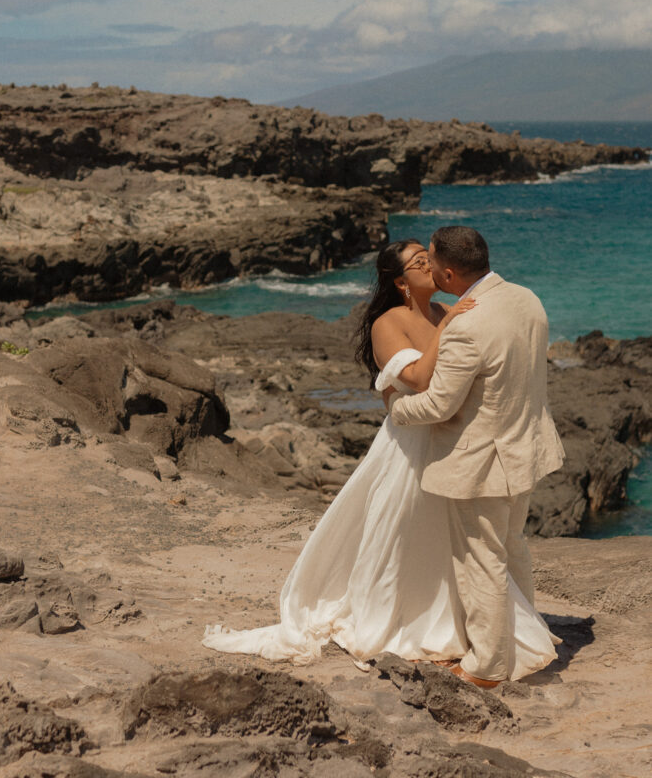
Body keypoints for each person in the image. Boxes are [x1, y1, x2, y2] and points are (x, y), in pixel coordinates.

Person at [203, 238, 559, 677]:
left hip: (453, 444)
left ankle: (471, 631)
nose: (430, 266)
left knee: (465, 547)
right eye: (419, 262)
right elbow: (418, 377)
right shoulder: (390, 323)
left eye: (430, 259)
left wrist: (452, 325)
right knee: (410, 533)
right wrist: (448, 332)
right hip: (412, 444)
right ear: (400, 282)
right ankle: (417, 622)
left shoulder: (448, 312)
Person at [386, 226, 565, 688]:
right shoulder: (527, 299)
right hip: (525, 447)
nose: (426, 267)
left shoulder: (467, 325)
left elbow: (439, 405)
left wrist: (394, 408)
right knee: (512, 548)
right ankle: (527, 638)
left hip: (483, 461)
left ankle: (486, 667)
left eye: (430, 260)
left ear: (448, 273)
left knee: (481, 559)